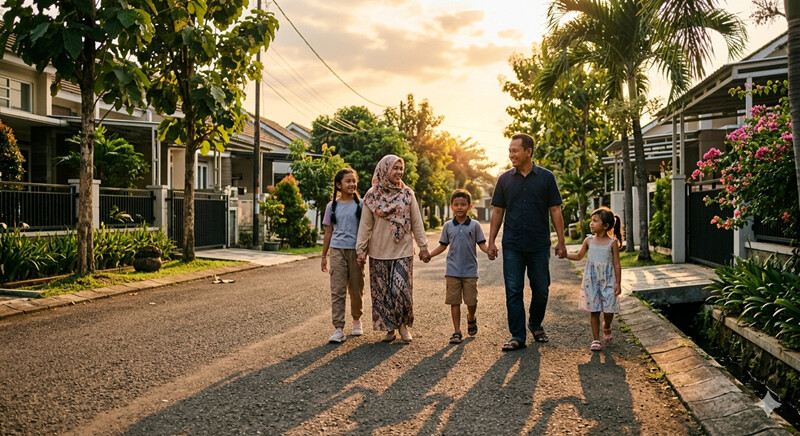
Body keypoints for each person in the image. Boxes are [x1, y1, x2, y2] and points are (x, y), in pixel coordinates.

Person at [487, 133, 567, 352]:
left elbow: (555, 209)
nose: (511, 154)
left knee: (541, 288)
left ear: (528, 151)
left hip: (539, 244)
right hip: (512, 244)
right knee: (513, 290)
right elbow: (497, 211)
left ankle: (535, 323)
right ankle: (517, 335)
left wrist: (561, 241)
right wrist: (491, 241)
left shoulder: (546, 177)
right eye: (510, 150)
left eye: (515, 150)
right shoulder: (504, 179)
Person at [356, 155, 430, 343]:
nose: (399, 172)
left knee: (401, 291)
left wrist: (423, 247)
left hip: (403, 250)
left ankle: (403, 326)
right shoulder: (372, 196)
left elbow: (416, 222)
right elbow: (365, 226)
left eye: (400, 168)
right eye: (395, 168)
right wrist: (360, 250)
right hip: (379, 252)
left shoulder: (407, 194)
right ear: (384, 169)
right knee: (383, 293)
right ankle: (389, 328)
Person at [428, 189, 491, 344]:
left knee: (471, 301)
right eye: (456, 204)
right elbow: (442, 246)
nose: (459, 207)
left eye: (463, 204)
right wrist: (429, 255)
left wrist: (489, 251)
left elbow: (482, 244)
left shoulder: (475, 225)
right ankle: (457, 331)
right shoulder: (448, 226)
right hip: (452, 271)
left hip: (470, 271)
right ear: (451, 207)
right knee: (454, 301)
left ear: (469, 206)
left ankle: (471, 317)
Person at [562, 207, 623, 351]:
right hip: (592, 281)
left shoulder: (612, 243)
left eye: (595, 221)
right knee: (594, 310)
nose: (591, 223)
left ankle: (606, 326)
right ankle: (596, 339)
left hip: (608, 280)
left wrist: (618, 283)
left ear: (605, 226)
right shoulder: (588, 240)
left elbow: (617, 264)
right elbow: (578, 256)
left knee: (609, 311)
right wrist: (565, 255)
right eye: (591, 220)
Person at [321, 168, 365, 343]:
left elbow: (366, 230)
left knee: (356, 289)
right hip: (337, 250)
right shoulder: (332, 206)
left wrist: (364, 252)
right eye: (348, 181)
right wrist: (324, 256)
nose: (352, 184)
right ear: (339, 185)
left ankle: (356, 320)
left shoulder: (361, 205)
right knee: (337, 290)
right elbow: (328, 232)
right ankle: (338, 328)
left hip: (356, 252)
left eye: (354, 181)